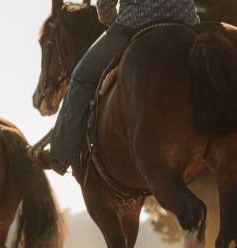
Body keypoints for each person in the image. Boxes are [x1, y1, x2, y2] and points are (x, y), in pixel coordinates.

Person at [40, 0, 200, 175]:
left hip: (135, 22)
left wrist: (110, 19)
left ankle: (61, 154)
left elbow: (104, 6)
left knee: (81, 77)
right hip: (186, 20)